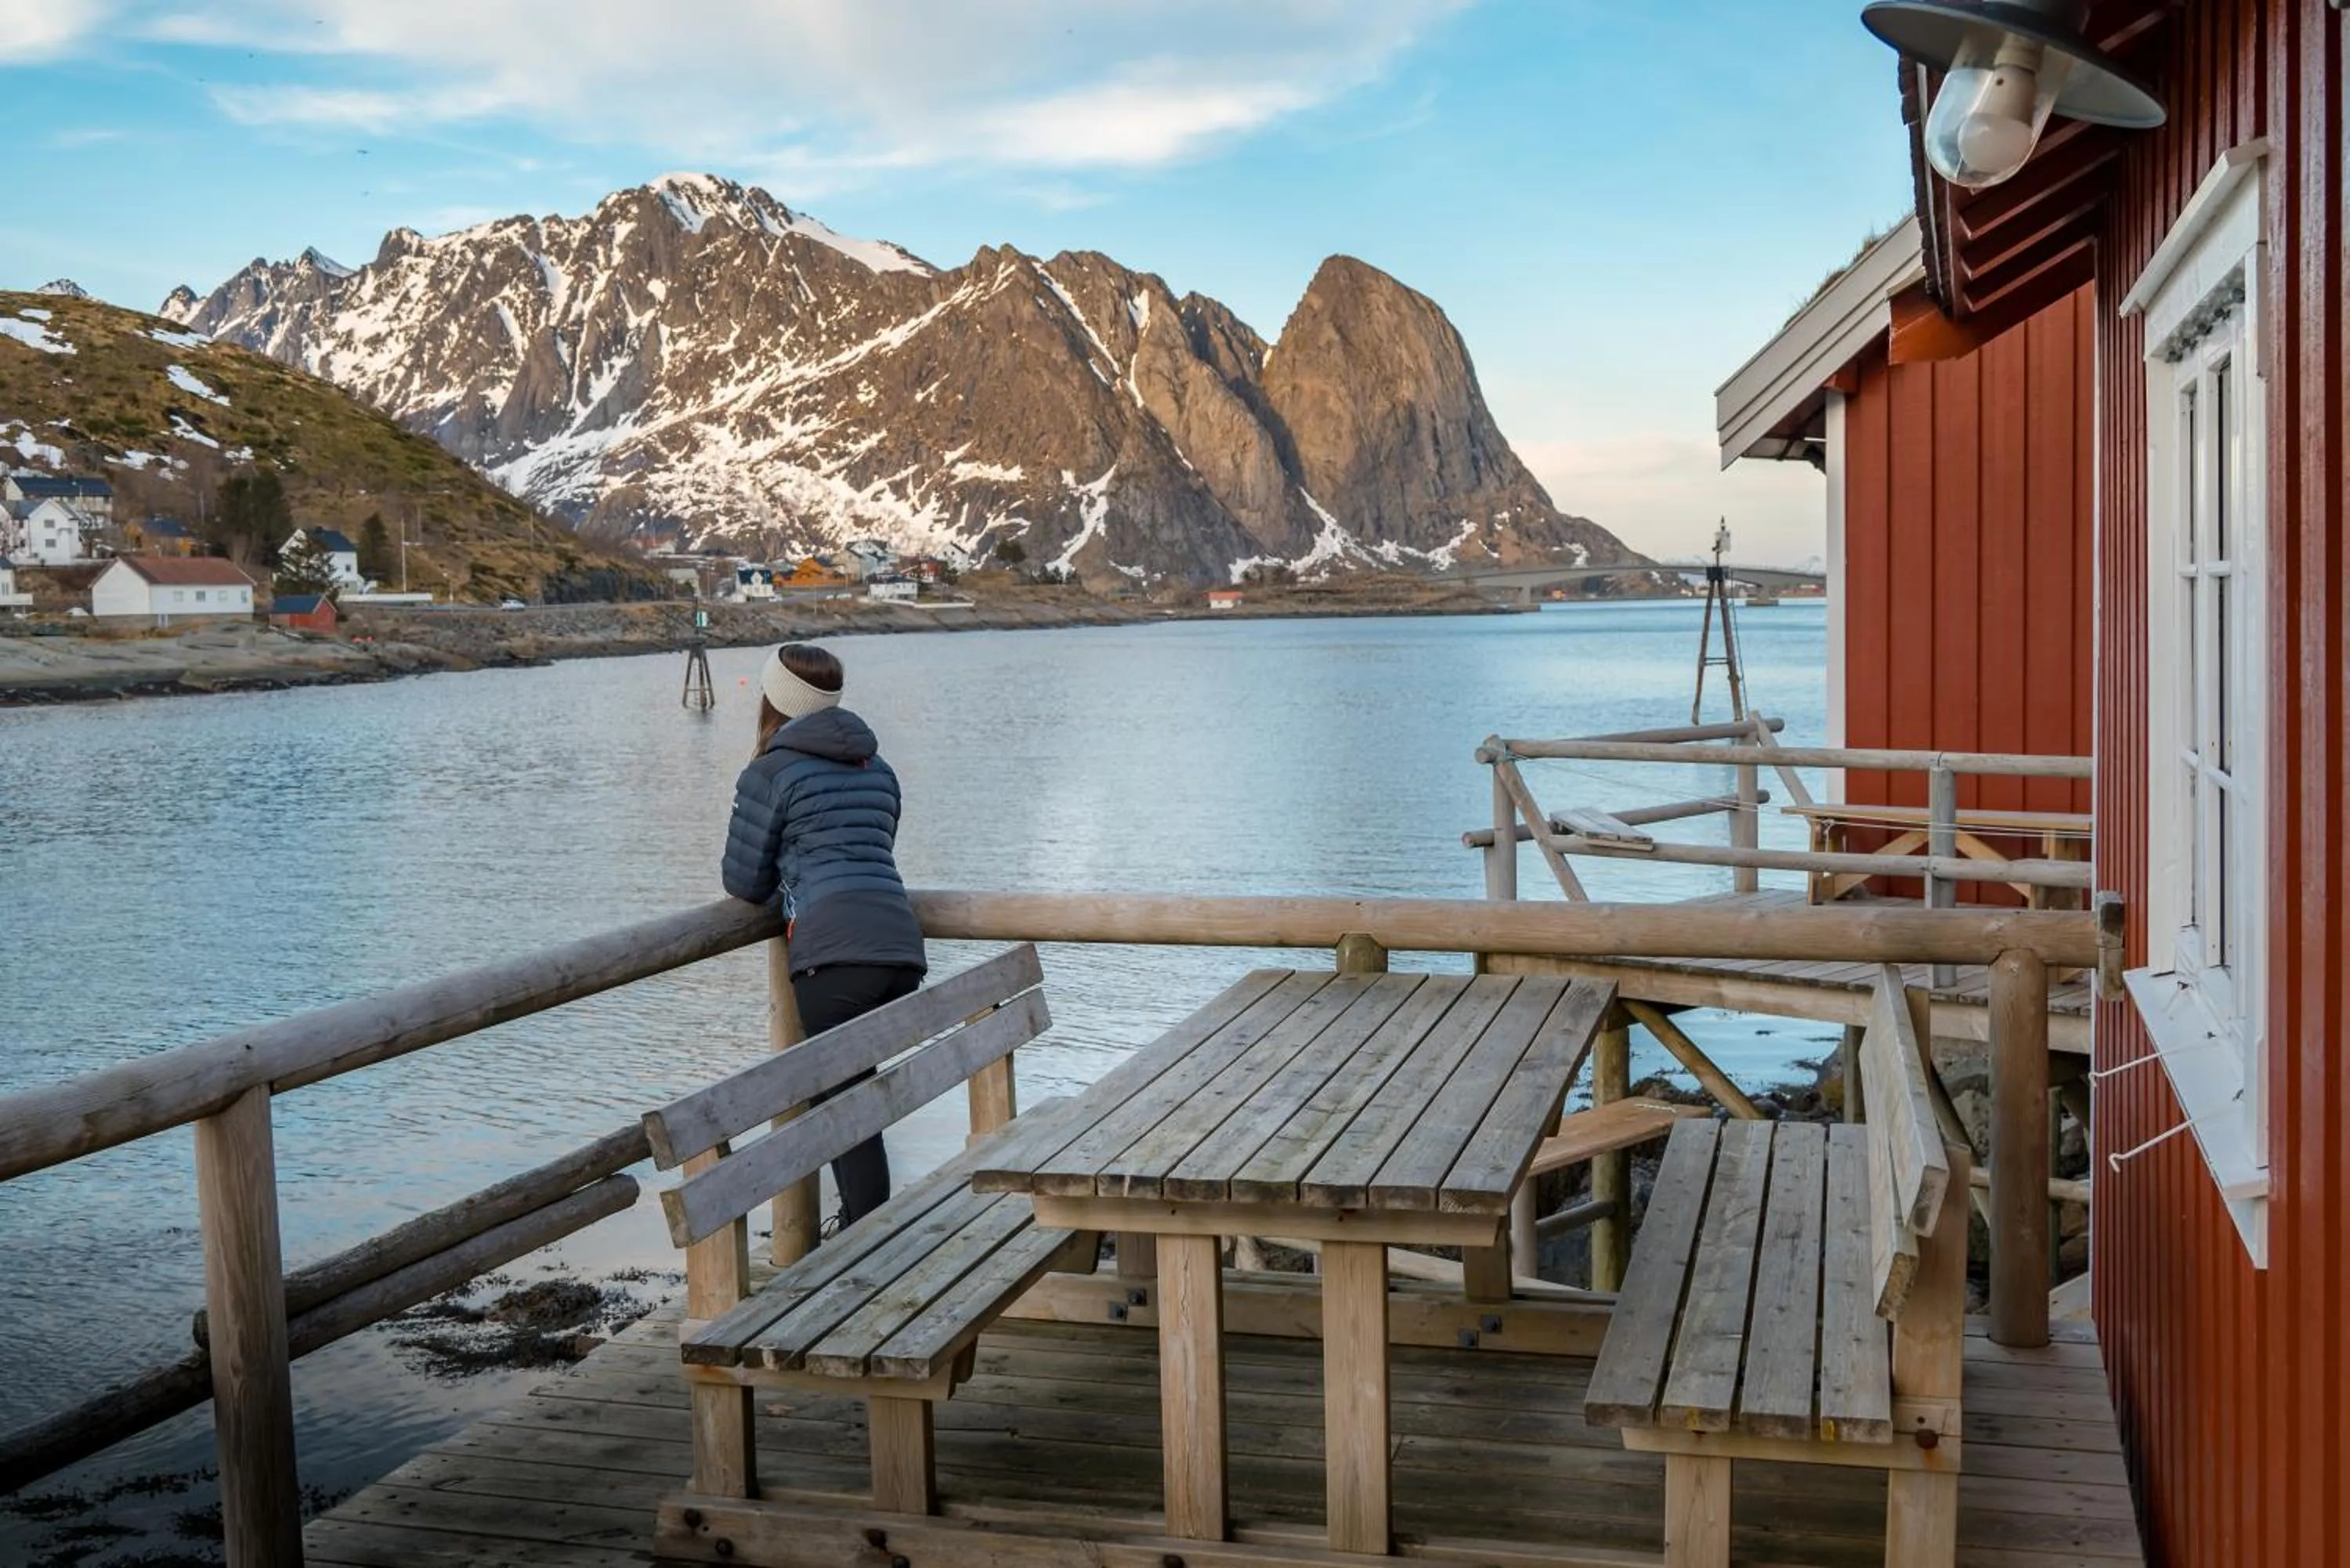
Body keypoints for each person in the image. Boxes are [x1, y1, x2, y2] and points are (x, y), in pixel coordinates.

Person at [721, 642, 926, 1228]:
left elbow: (742, 880)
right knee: (854, 1091)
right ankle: (863, 1227)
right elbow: (873, 850)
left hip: (834, 956)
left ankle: (863, 1238)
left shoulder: (771, 772)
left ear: (772, 700)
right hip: (899, 950)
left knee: (842, 1103)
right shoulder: (878, 768)